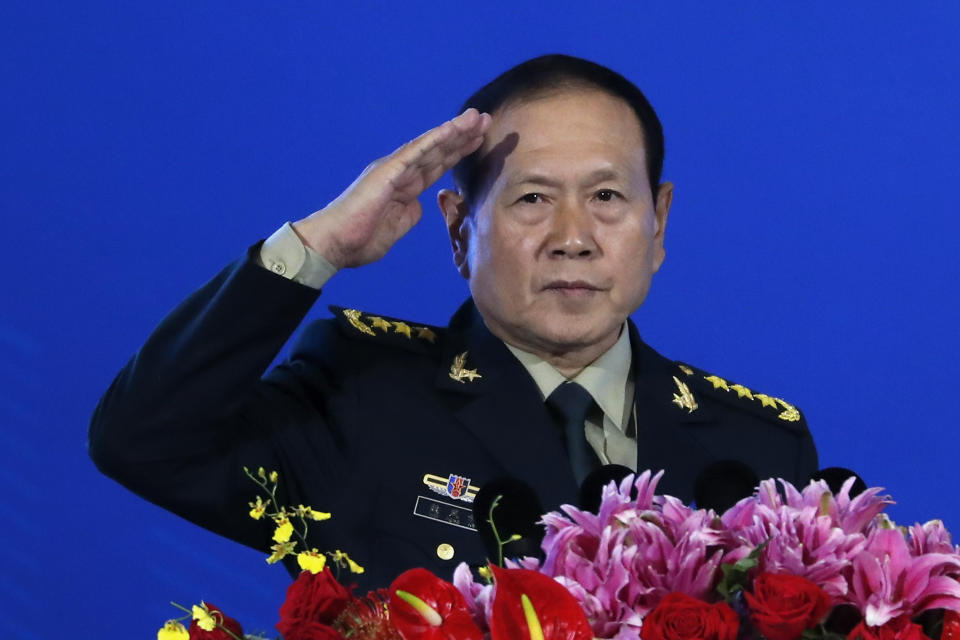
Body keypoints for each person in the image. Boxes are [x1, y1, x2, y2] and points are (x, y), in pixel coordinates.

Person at [89, 54, 818, 590]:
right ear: (459, 228)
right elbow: (146, 443)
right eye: (532, 199)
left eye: (606, 197)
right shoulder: (363, 393)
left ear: (657, 223)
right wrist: (318, 247)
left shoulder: (757, 449)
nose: (574, 235)